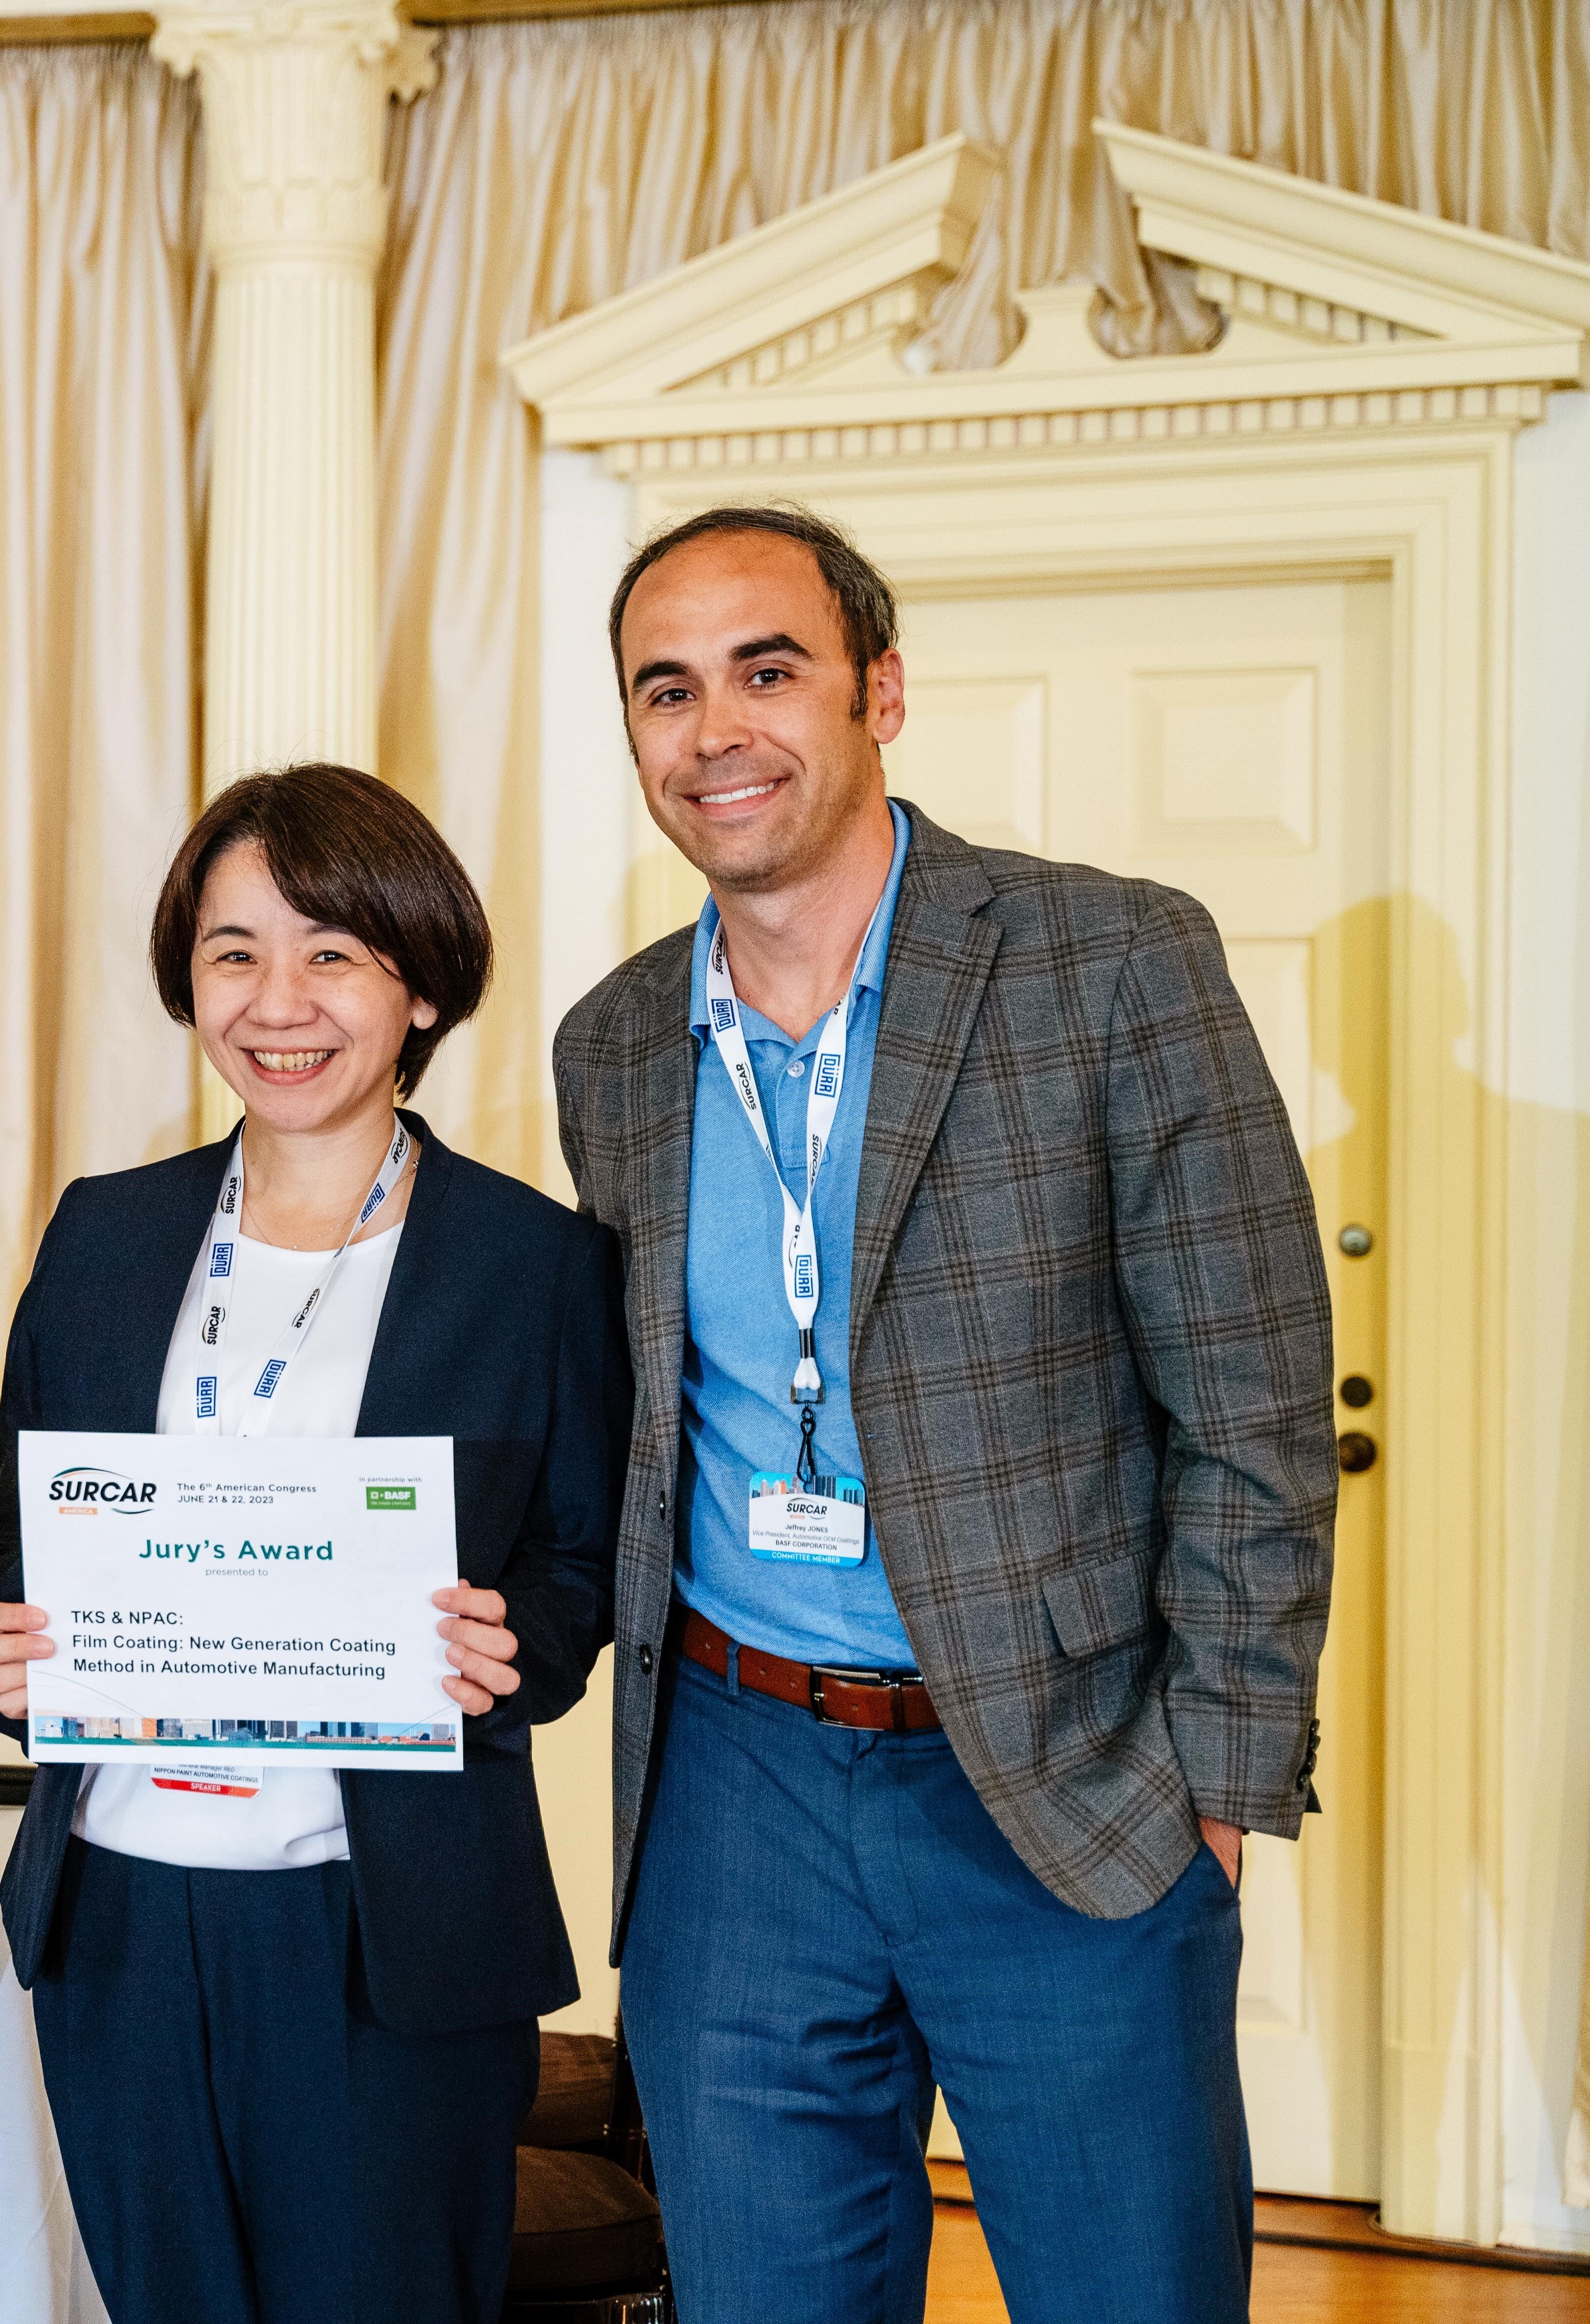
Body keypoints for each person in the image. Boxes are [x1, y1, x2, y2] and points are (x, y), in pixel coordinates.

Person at [554, 504, 1334, 2322]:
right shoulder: (613, 1043)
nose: (716, 730)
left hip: (1070, 1780)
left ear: (880, 693)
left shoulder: (1110, 964)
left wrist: (1218, 1790)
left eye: (768, 671)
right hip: (736, 1790)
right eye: (667, 690)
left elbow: (1255, 1403)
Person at [0, 764, 629, 2324]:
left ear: (420, 985)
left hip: (385, 1924)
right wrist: (14, 1634)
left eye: (333, 952)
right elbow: (20, 1526)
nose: (280, 1002)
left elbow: (586, 1568)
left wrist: (513, 1643)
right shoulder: (106, 1233)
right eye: (235, 952)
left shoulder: (531, 1263)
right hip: (123, 1909)